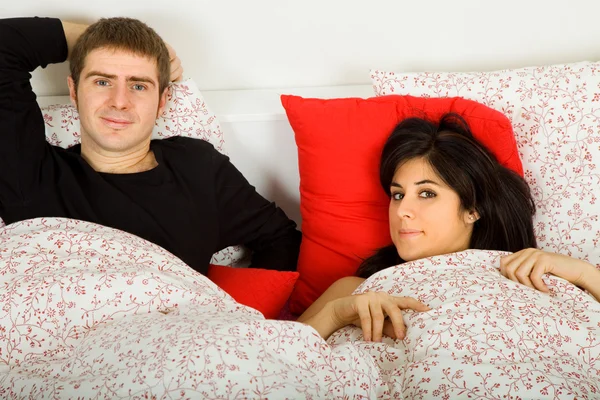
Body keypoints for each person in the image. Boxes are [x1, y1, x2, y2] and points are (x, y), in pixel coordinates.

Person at [0, 17, 301, 275]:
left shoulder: (197, 166)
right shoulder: (29, 174)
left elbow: (280, 237)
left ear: (162, 102)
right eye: (102, 81)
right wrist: (97, 39)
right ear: (74, 91)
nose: (119, 101)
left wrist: (247, 317)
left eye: (139, 85)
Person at [299, 113, 600, 341]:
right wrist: (337, 314)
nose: (402, 210)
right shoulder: (355, 290)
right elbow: (273, 357)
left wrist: (585, 273)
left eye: (427, 193)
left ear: (472, 209)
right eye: (397, 195)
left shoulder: (530, 273)